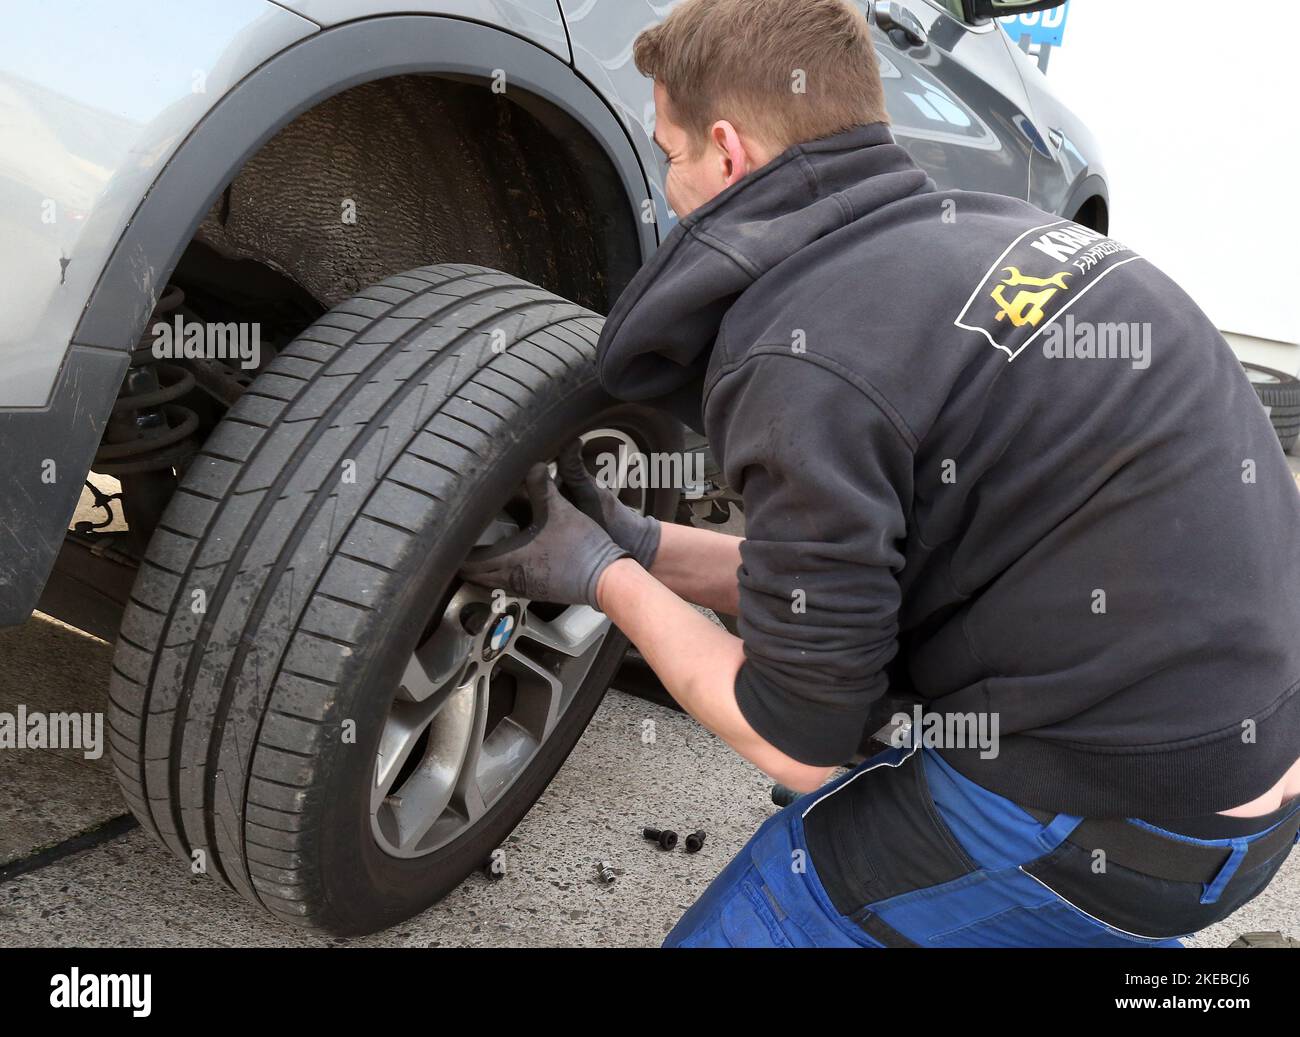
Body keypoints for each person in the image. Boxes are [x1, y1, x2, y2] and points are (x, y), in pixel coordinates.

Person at [460, 0, 1300, 947]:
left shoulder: (807, 359)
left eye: (671, 151)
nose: (669, 182)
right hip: (1243, 776)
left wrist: (599, 579)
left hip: (1113, 826)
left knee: (773, 897)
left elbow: (792, 738)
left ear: (728, 153)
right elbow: (841, 598)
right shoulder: (994, 233)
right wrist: (645, 544)